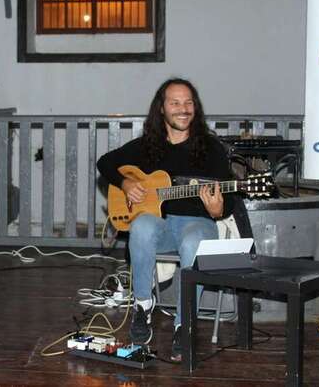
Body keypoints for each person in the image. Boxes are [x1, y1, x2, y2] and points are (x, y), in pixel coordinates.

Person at [96, 78, 235, 362]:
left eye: (188, 102)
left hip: (197, 223)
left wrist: (218, 208)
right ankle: (143, 306)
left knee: (194, 240)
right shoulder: (148, 146)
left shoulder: (211, 148)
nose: (183, 109)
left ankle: (184, 325)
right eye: (175, 103)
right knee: (143, 225)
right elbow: (105, 163)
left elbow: (228, 199)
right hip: (161, 226)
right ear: (161, 109)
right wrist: (124, 184)